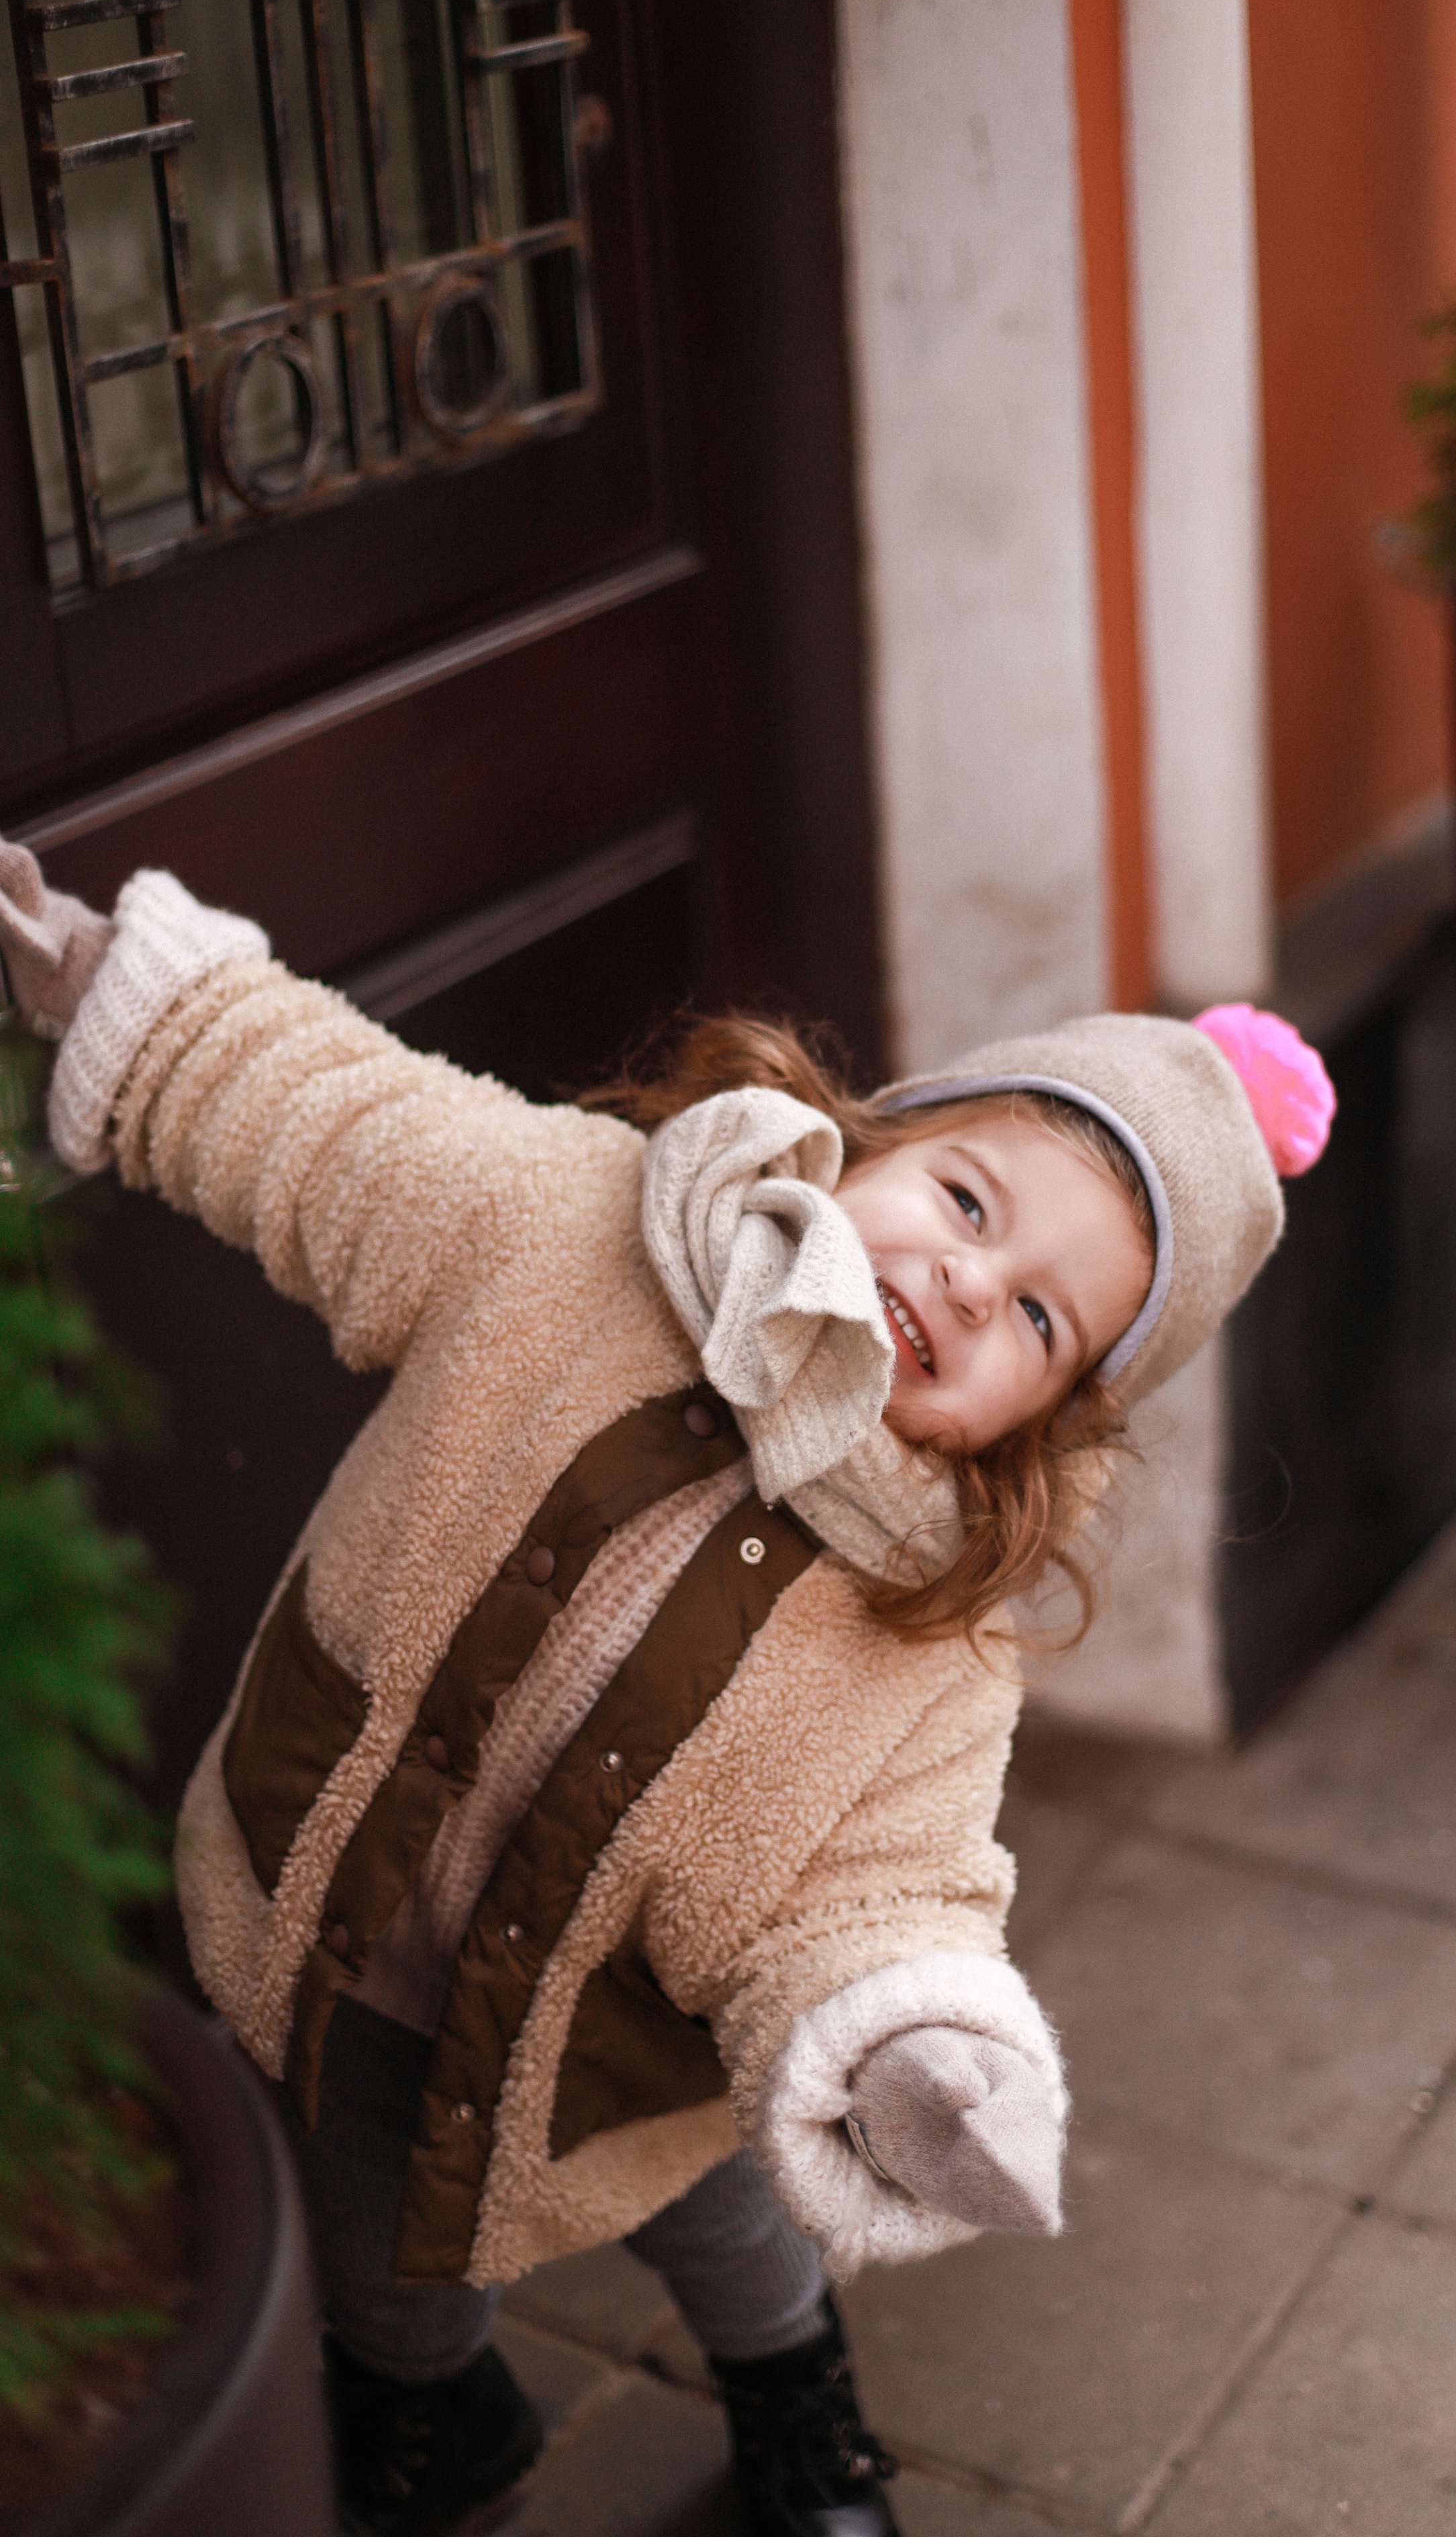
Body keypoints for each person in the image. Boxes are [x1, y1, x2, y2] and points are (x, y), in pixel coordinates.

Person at [0, 849, 1334, 2537]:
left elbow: (887, 1882)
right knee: (386, 2243)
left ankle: (793, 2397)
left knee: (728, 2217)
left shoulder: (938, 1622)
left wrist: (906, 2034)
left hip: (637, 2033)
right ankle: (430, 2417)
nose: (958, 1286)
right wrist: (130, 988)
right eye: (969, 1205)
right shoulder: (567, 1226)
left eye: (1036, 1320)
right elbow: (330, 1119)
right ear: (877, 1135)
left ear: (1040, 1417)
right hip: (360, 1938)